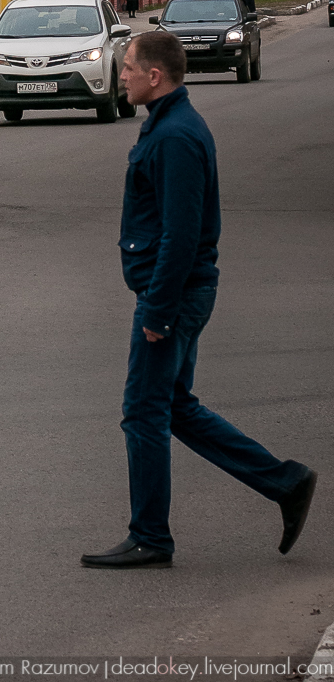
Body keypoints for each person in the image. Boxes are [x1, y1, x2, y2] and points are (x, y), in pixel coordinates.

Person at [81, 30, 317, 569]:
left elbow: (182, 235)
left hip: (174, 297)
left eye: (129, 68)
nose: (122, 76)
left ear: (155, 76)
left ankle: (150, 537)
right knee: (174, 407)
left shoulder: (176, 138)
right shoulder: (168, 127)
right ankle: (286, 482)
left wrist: (160, 310)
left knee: (142, 412)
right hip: (176, 293)